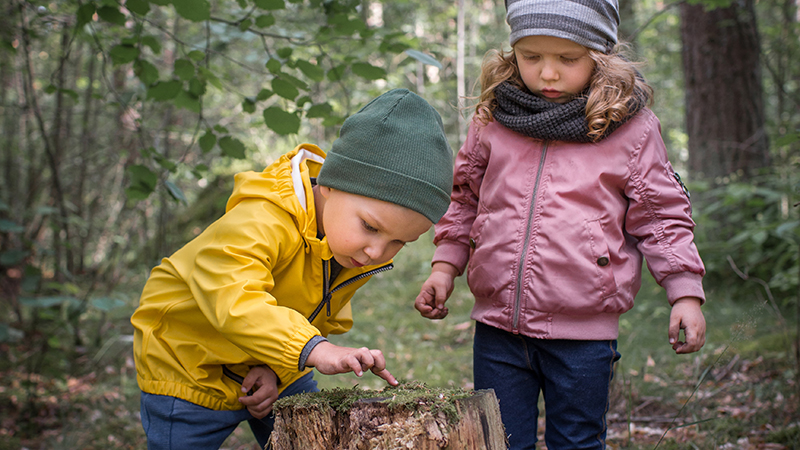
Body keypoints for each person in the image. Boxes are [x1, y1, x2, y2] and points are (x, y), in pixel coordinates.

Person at [414, 1, 707, 448]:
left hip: (583, 335)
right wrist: (444, 266)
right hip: (497, 329)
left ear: (600, 57)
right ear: (513, 55)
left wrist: (684, 291)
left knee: (577, 441)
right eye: (531, 57)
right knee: (501, 440)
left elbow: (661, 214)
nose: (547, 73)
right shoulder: (494, 119)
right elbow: (465, 198)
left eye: (567, 59)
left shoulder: (631, 129)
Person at [131, 88, 453, 449]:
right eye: (371, 227)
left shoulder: (348, 246)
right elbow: (234, 300)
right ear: (331, 185)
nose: (378, 251)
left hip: (279, 358)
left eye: (399, 242)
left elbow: (315, 314)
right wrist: (316, 350)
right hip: (188, 368)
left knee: (311, 435)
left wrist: (277, 369)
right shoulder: (263, 218)